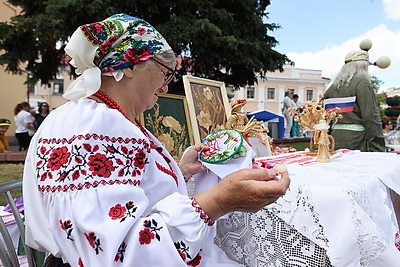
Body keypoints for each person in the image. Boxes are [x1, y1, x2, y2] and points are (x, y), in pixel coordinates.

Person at [23, 14, 290, 267]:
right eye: (165, 73)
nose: (165, 86)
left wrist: (182, 172)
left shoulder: (108, 118)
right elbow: (115, 255)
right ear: (129, 65)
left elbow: (129, 191)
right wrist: (218, 202)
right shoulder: (88, 127)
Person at [323, 47, 385, 152]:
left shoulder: (332, 87)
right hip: (357, 141)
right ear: (362, 67)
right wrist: (378, 146)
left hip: (334, 139)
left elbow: (324, 117)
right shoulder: (362, 83)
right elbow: (370, 117)